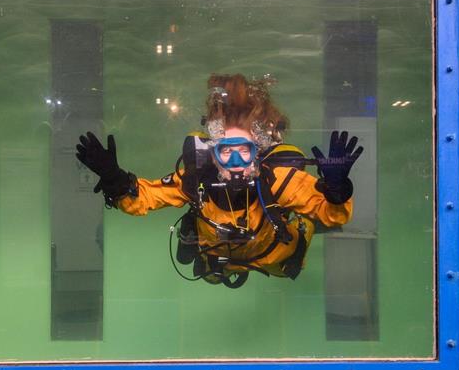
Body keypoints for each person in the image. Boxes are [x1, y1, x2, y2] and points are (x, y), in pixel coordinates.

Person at [76, 74, 363, 288]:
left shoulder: (276, 178)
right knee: (208, 272)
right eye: (226, 151)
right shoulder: (196, 180)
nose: (236, 162)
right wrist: (114, 179)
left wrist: (336, 190)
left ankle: (303, 226)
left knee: (300, 244)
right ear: (213, 154)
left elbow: (333, 214)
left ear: (258, 153)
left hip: (274, 258)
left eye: (244, 151)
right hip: (220, 262)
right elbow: (146, 198)